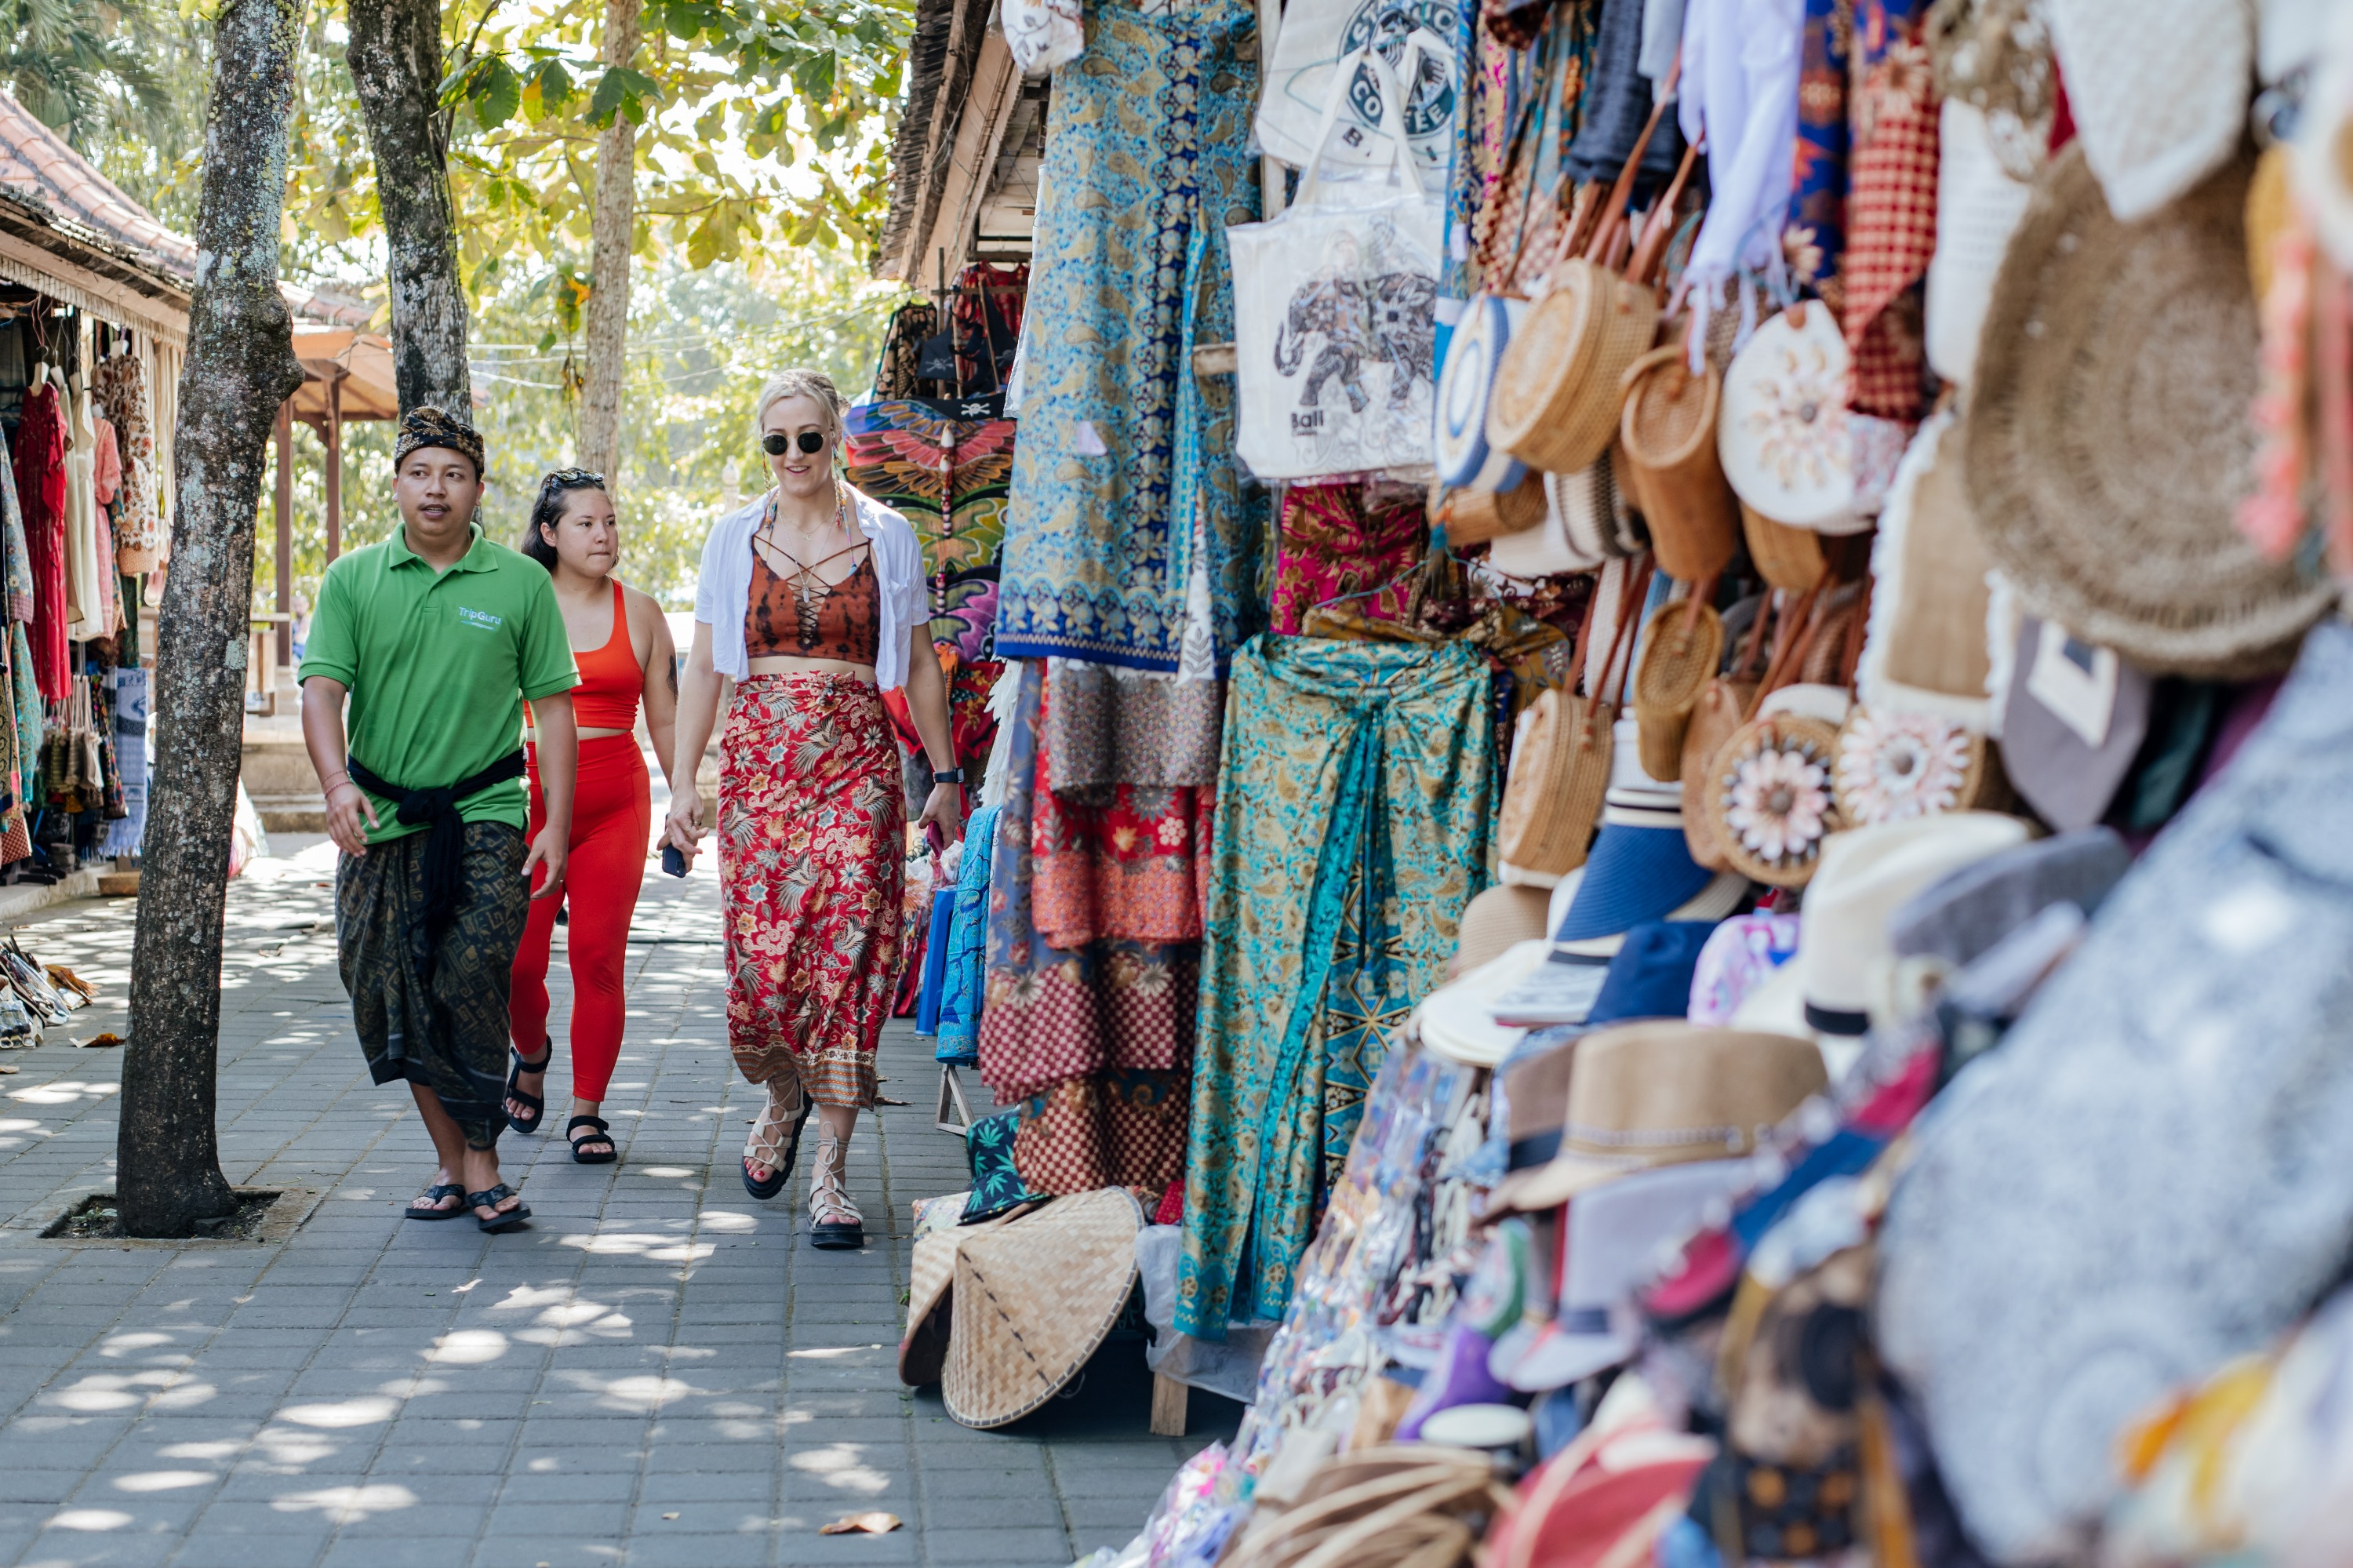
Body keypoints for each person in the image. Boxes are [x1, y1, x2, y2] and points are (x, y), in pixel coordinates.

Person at [666, 369, 962, 1249]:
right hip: (760, 773)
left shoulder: (888, 536)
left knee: (849, 962)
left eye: (809, 437)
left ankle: (832, 1173)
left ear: (836, 437)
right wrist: (686, 784)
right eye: (776, 440)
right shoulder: (731, 537)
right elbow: (706, 671)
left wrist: (943, 774)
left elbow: (916, 666)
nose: (793, 455)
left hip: (857, 773)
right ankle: (781, 1093)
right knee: (764, 968)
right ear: (762, 445)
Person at [300, 406, 580, 1235]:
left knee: (469, 978)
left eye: (453, 473)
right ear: (395, 483)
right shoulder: (353, 579)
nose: (436, 487)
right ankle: (450, 1161)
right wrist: (334, 785)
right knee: (387, 989)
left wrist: (555, 824)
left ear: (478, 489)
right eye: (421, 471)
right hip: (377, 818)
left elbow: (553, 711)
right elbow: (322, 690)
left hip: (486, 813)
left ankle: (485, 1162)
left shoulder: (520, 583)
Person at [505, 469, 680, 1164]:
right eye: (586, 523)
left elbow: (665, 716)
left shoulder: (641, 612)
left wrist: (685, 799)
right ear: (549, 534)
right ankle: (533, 1051)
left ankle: (587, 1109)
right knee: (517, 963)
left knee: (598, 959)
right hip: (525, 799)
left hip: (614, 801)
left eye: (610, 521)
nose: (604, 534)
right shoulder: (517, 600)